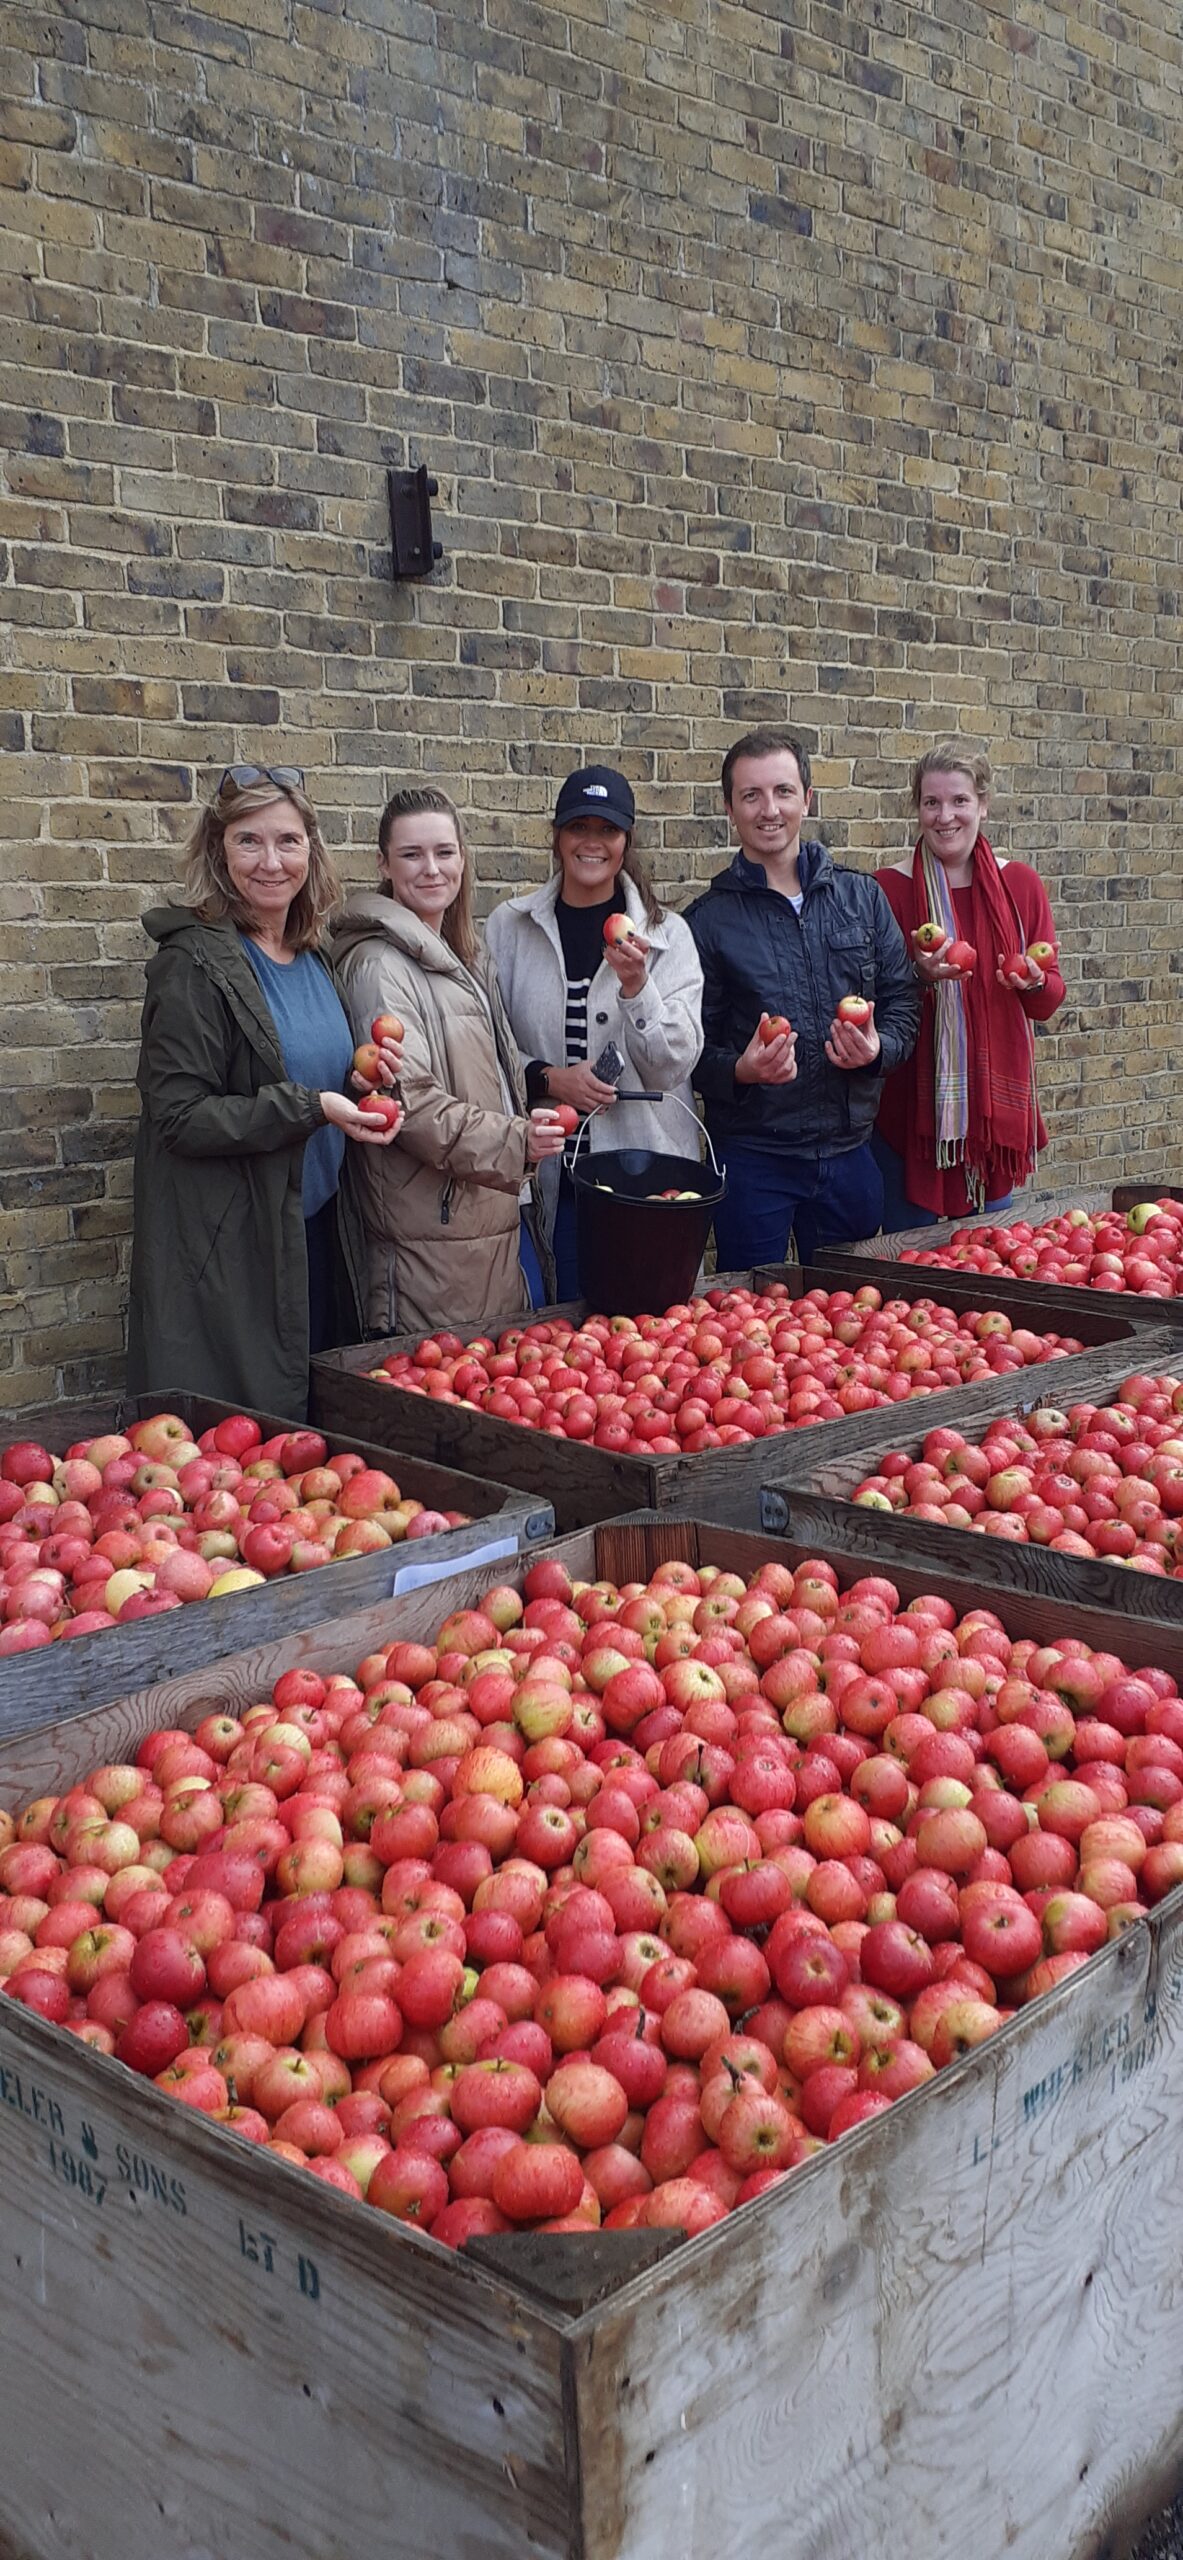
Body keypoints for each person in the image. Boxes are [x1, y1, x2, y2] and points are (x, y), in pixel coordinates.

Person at [127, 764, 401, 1418]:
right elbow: (179, 1117)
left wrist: (356, 1081)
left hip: (313, 1231)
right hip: (235, 1254)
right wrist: (312, 1107)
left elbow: (301, 1073)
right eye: (249, 841)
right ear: (219, 851)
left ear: (312, 848)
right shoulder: (192, 964)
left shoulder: (312, 956)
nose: (271, 861)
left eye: (288, 840)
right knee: (244, 1452)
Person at [685, 725, 921, 1270]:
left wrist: (878, 1049)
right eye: (752, 795)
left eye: (783, 791)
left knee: (853, 1319)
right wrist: (740, 1071)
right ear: (730, 808)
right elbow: (690, 1050)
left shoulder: (862, 899)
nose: (769, 809)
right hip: (752, 1161)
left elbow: (903, 1001)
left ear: (807, 799)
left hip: (850, 1154)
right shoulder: (706, 924)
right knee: (750, 1323)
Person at [331, 786, 564, 1335]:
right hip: (428, 1245)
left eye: (444, 852)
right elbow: (408, 1106)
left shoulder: (466, 954)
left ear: (463, 857)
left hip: (489, 1218)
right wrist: (516, 1141)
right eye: (412, 855)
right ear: (383, 864)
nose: (431, 869)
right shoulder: (379, 967)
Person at [486, 765, 705, 1297]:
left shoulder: (667, 936)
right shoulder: (509, 928)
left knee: (649, 1346)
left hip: (645, 1179)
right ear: (557, 836)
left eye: (606, 830)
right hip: (552, 1181)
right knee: (562, 1343)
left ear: (626, 840)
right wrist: (548, 1078)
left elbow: (674, 1063)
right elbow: (490, 1048)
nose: (592, 843)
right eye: (578, 827)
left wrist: (637, 987)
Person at [873, 745, 1065, 1227]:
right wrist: (917, 976)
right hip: (912, 1123)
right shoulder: (884, 890)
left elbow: (1047, 1002)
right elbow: (869, 1003)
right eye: (931, 803)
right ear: (916, 808)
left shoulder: (1020, 885)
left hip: (991, 1129)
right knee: (907, 1270)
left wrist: (1034, 981)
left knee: (986, 1274)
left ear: (983, 803)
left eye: (959, 800)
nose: (945, 816)